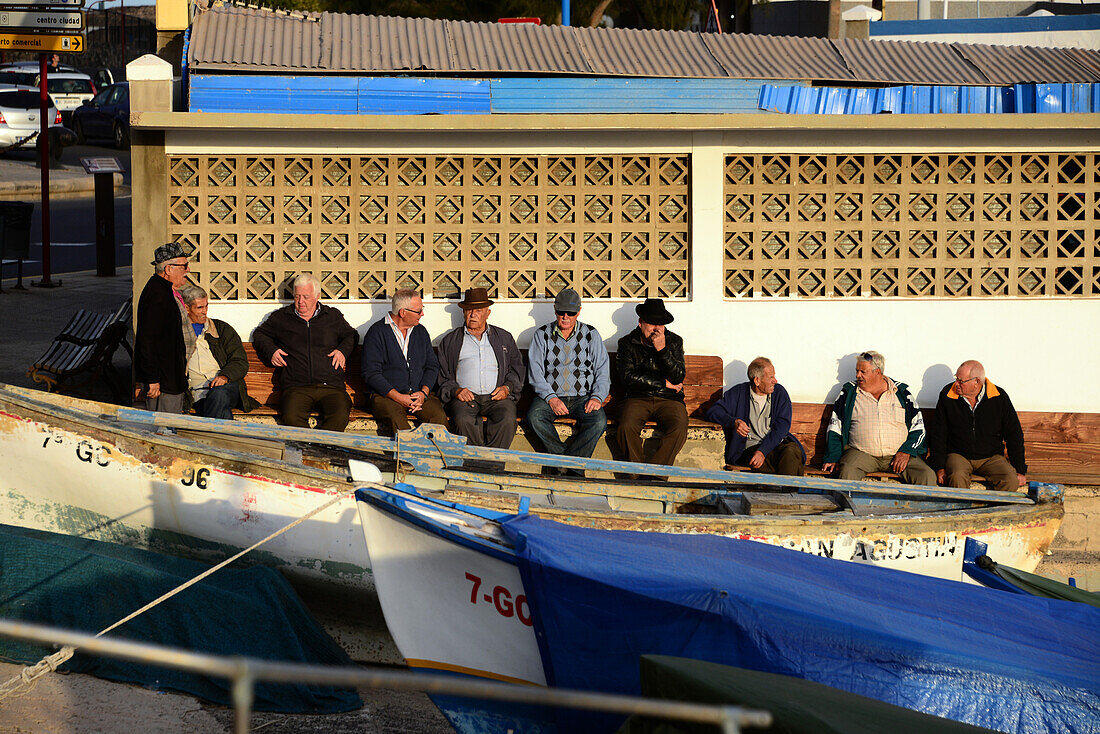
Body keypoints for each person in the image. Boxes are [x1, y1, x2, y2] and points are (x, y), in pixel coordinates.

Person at [252, 273, 359, 431]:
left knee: (340, 415)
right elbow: (260, 334)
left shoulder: (332, 316)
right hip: (296, 387)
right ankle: (309, 451)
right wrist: (272, 351)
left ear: (317, 296)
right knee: (291, 417)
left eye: (306, 297)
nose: (300, 302)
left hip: (330, 386)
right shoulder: (282, 317)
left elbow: (352, 335)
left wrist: (342, 351)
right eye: (297, 297)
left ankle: (319, 450)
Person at [821, 350, 936, 485]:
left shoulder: (902, 393)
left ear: (878, 372)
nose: (858, 375)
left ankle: (927, 507)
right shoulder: (849, 393)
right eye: (857, 371)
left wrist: (907, 451)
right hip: (862, 454)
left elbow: (919, 428)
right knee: (848, 470)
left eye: (863, 372)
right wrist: (832, 457)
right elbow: (835, 427)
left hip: (899, 455)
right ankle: (847, 506)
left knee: (926, 475)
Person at [526, 288, 610, 462]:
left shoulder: (591, 335)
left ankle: (567, 465)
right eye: (560, 311)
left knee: (598, 421)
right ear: (555, 310)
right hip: (551, 397)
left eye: (570, 312)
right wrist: (551, 398)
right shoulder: (541, 335)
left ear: (578, 312)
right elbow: (535, 372)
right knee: (534, 417)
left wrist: (596, 397)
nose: (565, 316)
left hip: (583, 398)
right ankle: (570, 464)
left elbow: (602, 370)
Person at [436, 288, 525, 448]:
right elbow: (443, 376)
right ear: (463, 312)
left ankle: (493, 465)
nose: (472, 314)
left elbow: (517, 369)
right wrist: (456, 390)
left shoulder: (504, 338)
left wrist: (507, 388)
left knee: (507, 418)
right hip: (465, 399)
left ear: (487, 313)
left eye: (478, 310)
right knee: (463, 420)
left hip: (497, 398)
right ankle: (474, 465)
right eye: (468, 310)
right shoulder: (450, 341)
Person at [929, 360, 1027, 492]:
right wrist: (939, 467)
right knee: (957, 477)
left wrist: (1020, 469)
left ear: (977, 382)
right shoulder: (947, 394)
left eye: (961, 381)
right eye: (956, 378)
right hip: (958, 455)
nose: (956, 384)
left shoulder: (999, 397)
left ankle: (996, 512)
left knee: (1010, 479)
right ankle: (961, 512)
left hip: (991, 457)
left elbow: (1014, 434)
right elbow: (938, 433)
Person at [362, 289, 448, 434]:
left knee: (438, 417)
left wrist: (423, 393)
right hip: (386, 396)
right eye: (418, 311)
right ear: (403, 312)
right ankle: (406, 457)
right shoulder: (376, 333)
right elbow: (371, 373)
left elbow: (432, 366)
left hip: (418, 394)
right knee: (398, 421)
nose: (422, 314)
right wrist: (399, 397)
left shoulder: (420, 331)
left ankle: (435, 456)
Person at [615, 298, 688, 466]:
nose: (656, 328)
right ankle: (637, 474)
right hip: (637, 398)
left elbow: (678, 377)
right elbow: (627, 378)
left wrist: (662, 350)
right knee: (626, 427)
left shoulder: (674, 342)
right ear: (641, 323)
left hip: (669, 399)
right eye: (652, 323)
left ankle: (655, 476)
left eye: (660, 324)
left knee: (679, 427)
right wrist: (663, 382)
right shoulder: (626, 343)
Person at [706, 357, 806, 475]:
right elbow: (713, 412)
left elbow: (782, 427)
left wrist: (762, 451)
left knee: (792, 451)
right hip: (749, 450)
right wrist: (734, 422)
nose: (775, 381)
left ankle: (785, 492)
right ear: (757, 381)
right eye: (771, 378)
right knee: (787, 465)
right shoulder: (738, 393)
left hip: (774, 445)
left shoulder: (779, 393)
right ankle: (786, 491)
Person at [180, 285, 258, 419]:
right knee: (221, 410)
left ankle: (213, 437)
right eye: (199, 308)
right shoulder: (179, 333)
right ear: (187, 308)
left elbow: (239, 361)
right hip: (196, 393)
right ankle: (227, 439)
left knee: (219, 394)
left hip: (227, 387)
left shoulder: (221, 329)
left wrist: (225, 376)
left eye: (206, 306)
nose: (205, 311)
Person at [134, 242, 190, 413]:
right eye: (184, 266)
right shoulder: (158, 296)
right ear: (168, 269)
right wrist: (152, 379)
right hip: (163, 382)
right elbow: (147, 340)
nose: (188, 270)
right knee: (163, 428)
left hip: (169, 377)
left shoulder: (163, 290)